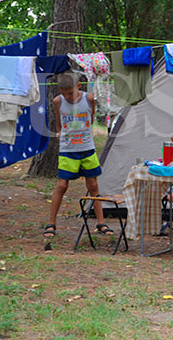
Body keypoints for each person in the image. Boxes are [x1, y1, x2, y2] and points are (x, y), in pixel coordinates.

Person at [44, 72, 113, 237]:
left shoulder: (88, 98)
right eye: (65, 93)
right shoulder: (58, 101)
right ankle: (51, 223)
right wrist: (60, 132)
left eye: (71, 93)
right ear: (60, 91)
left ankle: (101, 223)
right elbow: (59, 122)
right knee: (62, 185)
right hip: (68, 150)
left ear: (79, 87)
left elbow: (92, 116)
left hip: (87, 148)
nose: (68, 97)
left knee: (93, 185)